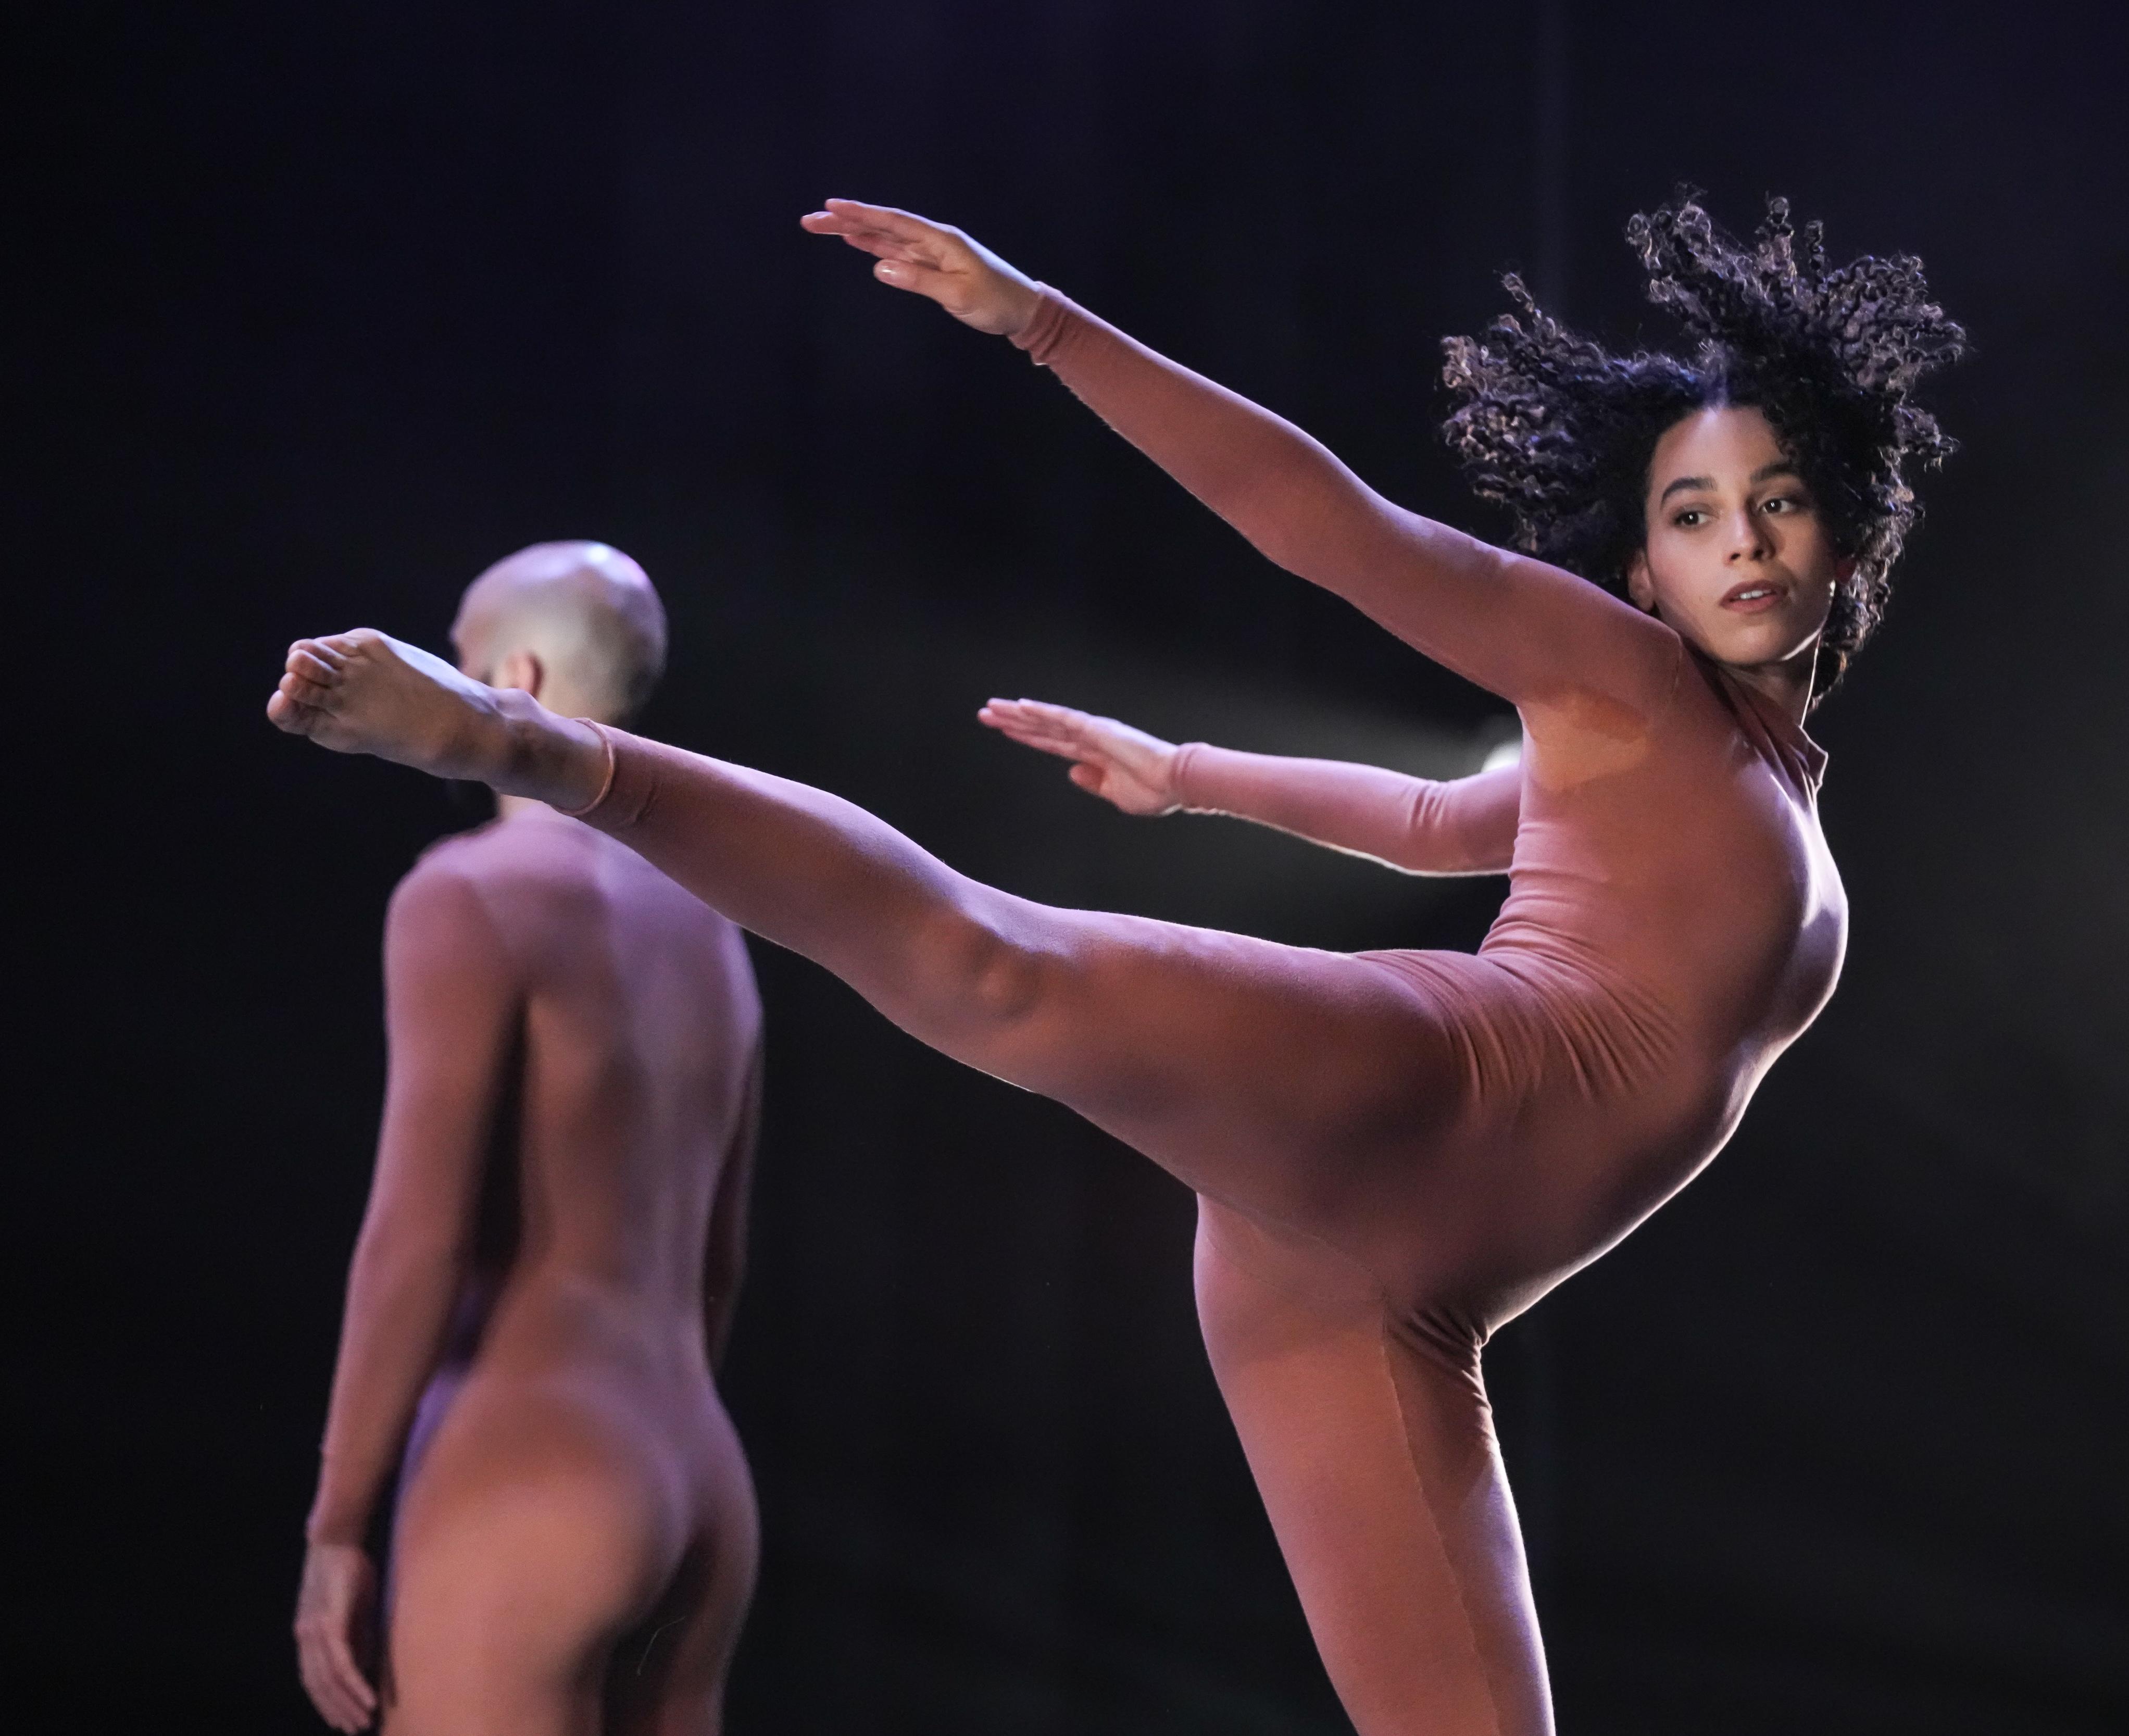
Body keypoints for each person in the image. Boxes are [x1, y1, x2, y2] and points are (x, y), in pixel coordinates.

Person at [267, 194, 1962, 1736]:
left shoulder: (1716, 772)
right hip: (1427, 1094)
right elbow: (1345, 531)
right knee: (993, 963)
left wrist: (1196, 776)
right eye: (1693, 512)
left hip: (1389, 1308)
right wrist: (1048, 326)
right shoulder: (1631, 680)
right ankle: (533, 748)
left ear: (1847, 524)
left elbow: (1450, 820)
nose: (1740, 540)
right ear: (1638, 567)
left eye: (1776, 501)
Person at [290, 542, 765, 1735]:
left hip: (532, 1455)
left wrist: (337, 1521)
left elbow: (418, 1239)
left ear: (520, 673)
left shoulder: (470, 891)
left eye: (454, 654)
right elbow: (719, 1259)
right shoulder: (717, 926)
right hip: (699, 1469)